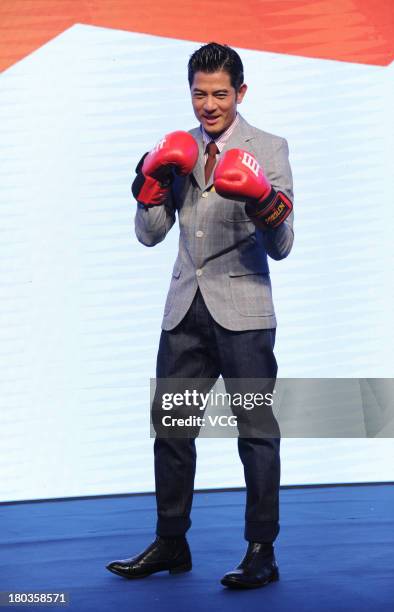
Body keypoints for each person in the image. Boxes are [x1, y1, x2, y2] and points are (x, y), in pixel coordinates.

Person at [106, 42, 294, 590]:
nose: (208, 105)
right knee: (171, 431)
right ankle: (171, 542)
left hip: (245, 312)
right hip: (184, 309)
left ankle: (262, 551)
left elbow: (282, 244)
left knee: (257, 432)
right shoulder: (177, 148)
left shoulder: (271, 147)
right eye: (198, 93)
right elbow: (150, 236)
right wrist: (149, 185)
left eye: (219, 93)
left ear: (240, 92)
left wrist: (261, 196)